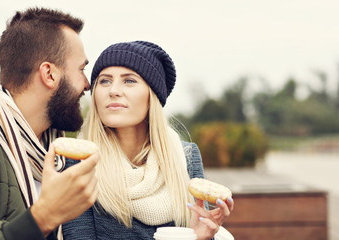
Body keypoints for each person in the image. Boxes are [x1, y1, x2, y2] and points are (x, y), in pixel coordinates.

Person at [62, 41, 234, 240]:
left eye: (129, 81)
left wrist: (201, 237)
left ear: (152, 95)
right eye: (105, 81)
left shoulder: (186, 158)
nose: (113, 90)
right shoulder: (79, 162)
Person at [0, 7, 100, 240]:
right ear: (49, 74)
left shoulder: (59, 154)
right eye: (81, 70)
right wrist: (44, 216)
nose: (87, 84)